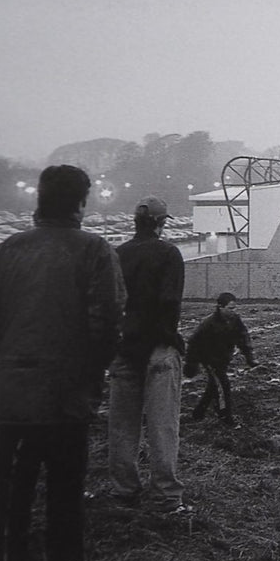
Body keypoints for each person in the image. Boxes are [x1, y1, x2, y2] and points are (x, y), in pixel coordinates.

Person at [0, 165, 124, 561]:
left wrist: (16, 349)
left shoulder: (7, 250)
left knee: (12, 491)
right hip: (66, 396)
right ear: (81, 201)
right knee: (64, 491)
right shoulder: (93, 252)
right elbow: (106, 324)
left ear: (39, 198)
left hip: (14, 396)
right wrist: (91, 372)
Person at [109, 195, 189, 513]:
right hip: (158, 348)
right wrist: (172, 339)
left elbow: (112, 302)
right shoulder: (169, 253)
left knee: (122, 426)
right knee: (162, 425)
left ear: (136, 221)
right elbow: (170, 302)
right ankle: (166, 495)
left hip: (126, 347)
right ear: (160, 223)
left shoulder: (118, 254)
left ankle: (123, 490)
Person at [184, 292, 257, 426]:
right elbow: (193, 343)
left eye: (234, 308)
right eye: (230, 308)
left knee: (213, 386)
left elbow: (243, 338)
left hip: (223, 359)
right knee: (223, 385)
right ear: (220, 307)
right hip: (209, 359)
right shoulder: (209, 323)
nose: (233, 311)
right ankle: (225, 417)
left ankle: (198, 413)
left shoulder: (235, 320)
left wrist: (249, 358)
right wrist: (191, 364)